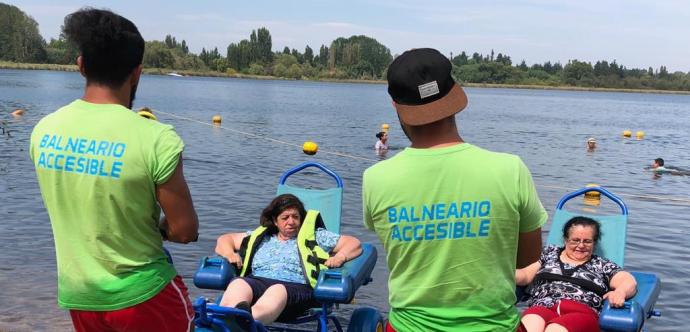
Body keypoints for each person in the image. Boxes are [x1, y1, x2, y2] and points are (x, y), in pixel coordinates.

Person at [29, 8, 199, 332]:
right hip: (146, 295)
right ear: (137, 73)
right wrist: (160, 231)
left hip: (81, 297)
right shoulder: (156, 138)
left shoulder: (43, 132)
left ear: (80, 65)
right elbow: (186, 229)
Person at [362, 48, 547, 331]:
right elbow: (527, 260)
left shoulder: (376, 178)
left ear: (395, 105)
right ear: (456, 92)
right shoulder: (511, 169)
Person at [215, 194, 362, 325]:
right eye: (285, 218)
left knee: (277, 290)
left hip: (297, 288)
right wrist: (229, 253)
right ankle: (226, 318)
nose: (291, 222)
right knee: (239, 283)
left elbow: (353, 243)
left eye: (295, 217)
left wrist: (339, 257)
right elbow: (225, 239)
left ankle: (245, 323)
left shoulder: (316, 236)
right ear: (275, 221)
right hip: (258, 281)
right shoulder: (262, 237)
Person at [515, 216, 637, 332]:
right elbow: (525, 275)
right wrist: (502, 275)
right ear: (566, 240)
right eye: (575, 240)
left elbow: (627, 280)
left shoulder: (601, 265)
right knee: (530, 324)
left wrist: (620, 292)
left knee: (555, 329)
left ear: (594, 243)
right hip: (542, 306)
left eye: (587, 241)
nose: (581, 245)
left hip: (581, 311)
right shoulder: (549, 254)